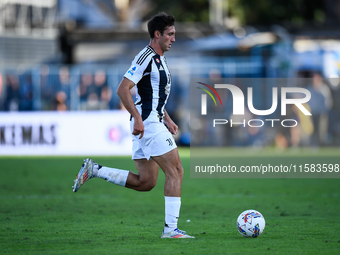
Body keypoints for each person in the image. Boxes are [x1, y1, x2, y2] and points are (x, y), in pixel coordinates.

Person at [72, 12, 194, 239]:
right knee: (176, 171)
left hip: (153, 121)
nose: (173, 39)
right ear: (157, 35)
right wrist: (138, 118)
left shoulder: (160, 59)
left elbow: (152, 95)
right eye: (170, 34)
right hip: (147, 124)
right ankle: (170, 230)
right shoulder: (145, 57)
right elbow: (122, 88)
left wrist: (166, 117)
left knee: (146, 182)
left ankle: (95, 170)